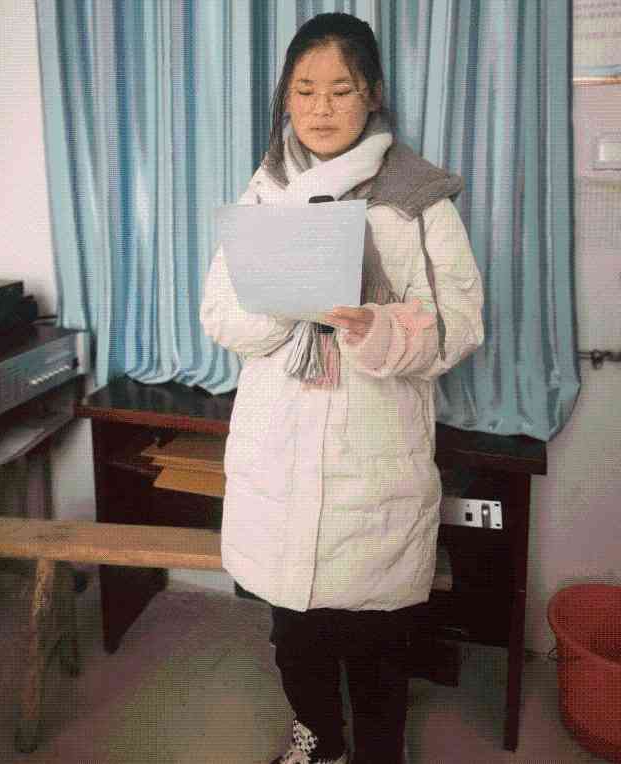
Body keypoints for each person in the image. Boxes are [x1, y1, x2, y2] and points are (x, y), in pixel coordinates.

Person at [200, 12, 484, 764]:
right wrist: (287, 307)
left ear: (373, 95)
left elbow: (461, 326)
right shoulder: (265, 195)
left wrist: (375, 328)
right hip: (280, 448)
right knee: (293, 631)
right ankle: (319, 737)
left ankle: (380, 750)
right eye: (305, 90)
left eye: (341, 90)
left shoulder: (417, 199)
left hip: (372, 451)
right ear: (285, 98)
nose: (321, 109)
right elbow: (220, 314)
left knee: (378, 637)